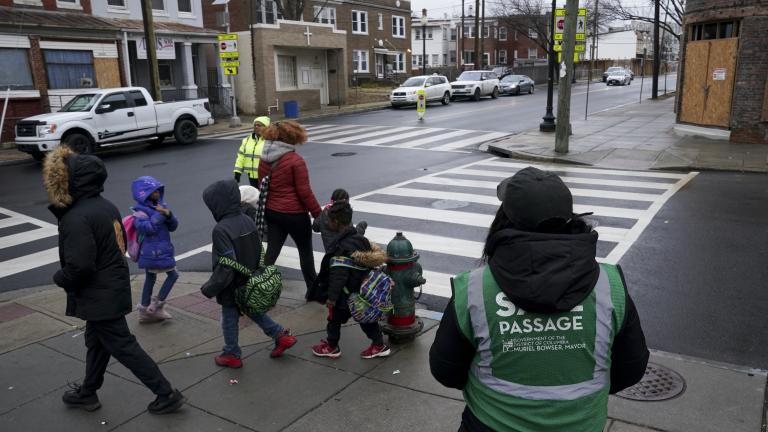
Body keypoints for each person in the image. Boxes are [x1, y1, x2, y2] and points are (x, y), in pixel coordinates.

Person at [429, 167, 649, 432]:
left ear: (503, 221)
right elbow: (631, 369)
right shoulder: (610, 285)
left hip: (490, 424)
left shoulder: (473, 289)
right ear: (569, 219)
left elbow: (446, 371)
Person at [42, 145, 184, 415]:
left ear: (71, 181)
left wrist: (61, 278)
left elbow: (80, 265)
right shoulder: (105, 207)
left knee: (122, 345)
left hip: (100, 294)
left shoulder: (76, 217)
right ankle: (88, 392)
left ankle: (166, 393)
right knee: (97, 342)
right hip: (111, 287)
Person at [200, 179, 297, 368]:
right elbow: (257, 250)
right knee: (254, 311)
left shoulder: (221, 230)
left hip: (232, 286)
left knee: (229, 318)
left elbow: (226, 265)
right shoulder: (247, 220)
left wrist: (210, 288)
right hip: (250, 280)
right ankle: (280, 335)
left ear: (217, 205)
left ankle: (231, 353)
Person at [310, 201, 390, 359]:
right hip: (360, 291)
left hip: (344, 295)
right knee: (365, 320)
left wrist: (332, 298)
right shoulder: (360, 239)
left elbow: (338, 276)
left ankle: (332, 347)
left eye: (329, 220)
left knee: (334, 320)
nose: (327, 223)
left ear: (336, 222)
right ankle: (379, 344)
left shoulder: (341, 247)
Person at [258, 121, 322, 294]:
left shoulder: (263, 159)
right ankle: (312, 291)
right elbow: (304, 192)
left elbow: (261, 185)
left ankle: (258, 286)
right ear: (292, 138)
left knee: (272, 251)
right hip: (295, 215)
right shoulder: (295, 161)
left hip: (272, 212)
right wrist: (318, 214)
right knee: (305, 252)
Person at [131, 176, 179, 322]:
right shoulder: (139, 211)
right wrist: (160, 214)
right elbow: (147, 228)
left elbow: (173, 226)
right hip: (153, 252)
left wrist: (168, 214)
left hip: (160, 250)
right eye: (154, 191)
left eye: (159, 191)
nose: (158, 193)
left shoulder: (160, 206)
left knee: (150, 278)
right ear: (145, 194)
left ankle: (145, 311)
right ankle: (156, 306)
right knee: (173, 275)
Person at [312, 188, 368, 253]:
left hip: (329, 252)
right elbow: (353, 236)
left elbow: (315, 227)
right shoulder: (344, 217)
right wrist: (361, 228)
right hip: (344, 253)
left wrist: (320, 216)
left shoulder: (324, 214)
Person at [234, 116, 271, 187]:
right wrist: (237, 172)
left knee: (265, 196)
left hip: (265, 176)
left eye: (259, 125)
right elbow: (241, 157)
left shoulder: (270, 140)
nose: (256, 127)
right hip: (251, 176)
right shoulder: (247, 140)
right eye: (255, 125)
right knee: (255, 196)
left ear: (266, 127)